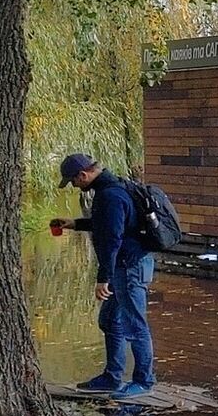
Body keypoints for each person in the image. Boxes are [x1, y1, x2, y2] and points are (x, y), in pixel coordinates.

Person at [57, 153, 157, 398]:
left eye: (73, 181)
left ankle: (144, 381)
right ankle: (112, 378)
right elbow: (108, 224)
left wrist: (103, 277)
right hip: (125, 265)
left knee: (135, 326)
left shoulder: (110, 195)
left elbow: (112, 238)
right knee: (110, 321)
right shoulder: (112, 188)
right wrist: (75, 224)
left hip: (130, 266)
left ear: (83, 175)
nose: (74, 186)